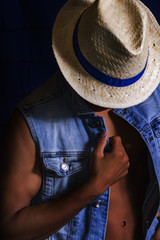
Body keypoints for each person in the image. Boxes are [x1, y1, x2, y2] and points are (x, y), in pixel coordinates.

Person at [0, 0, 160, 239]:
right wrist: (92, 188)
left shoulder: (155, 95)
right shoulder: (32, 123)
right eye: (103, 83)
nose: (110, 96)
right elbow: (10, 227)